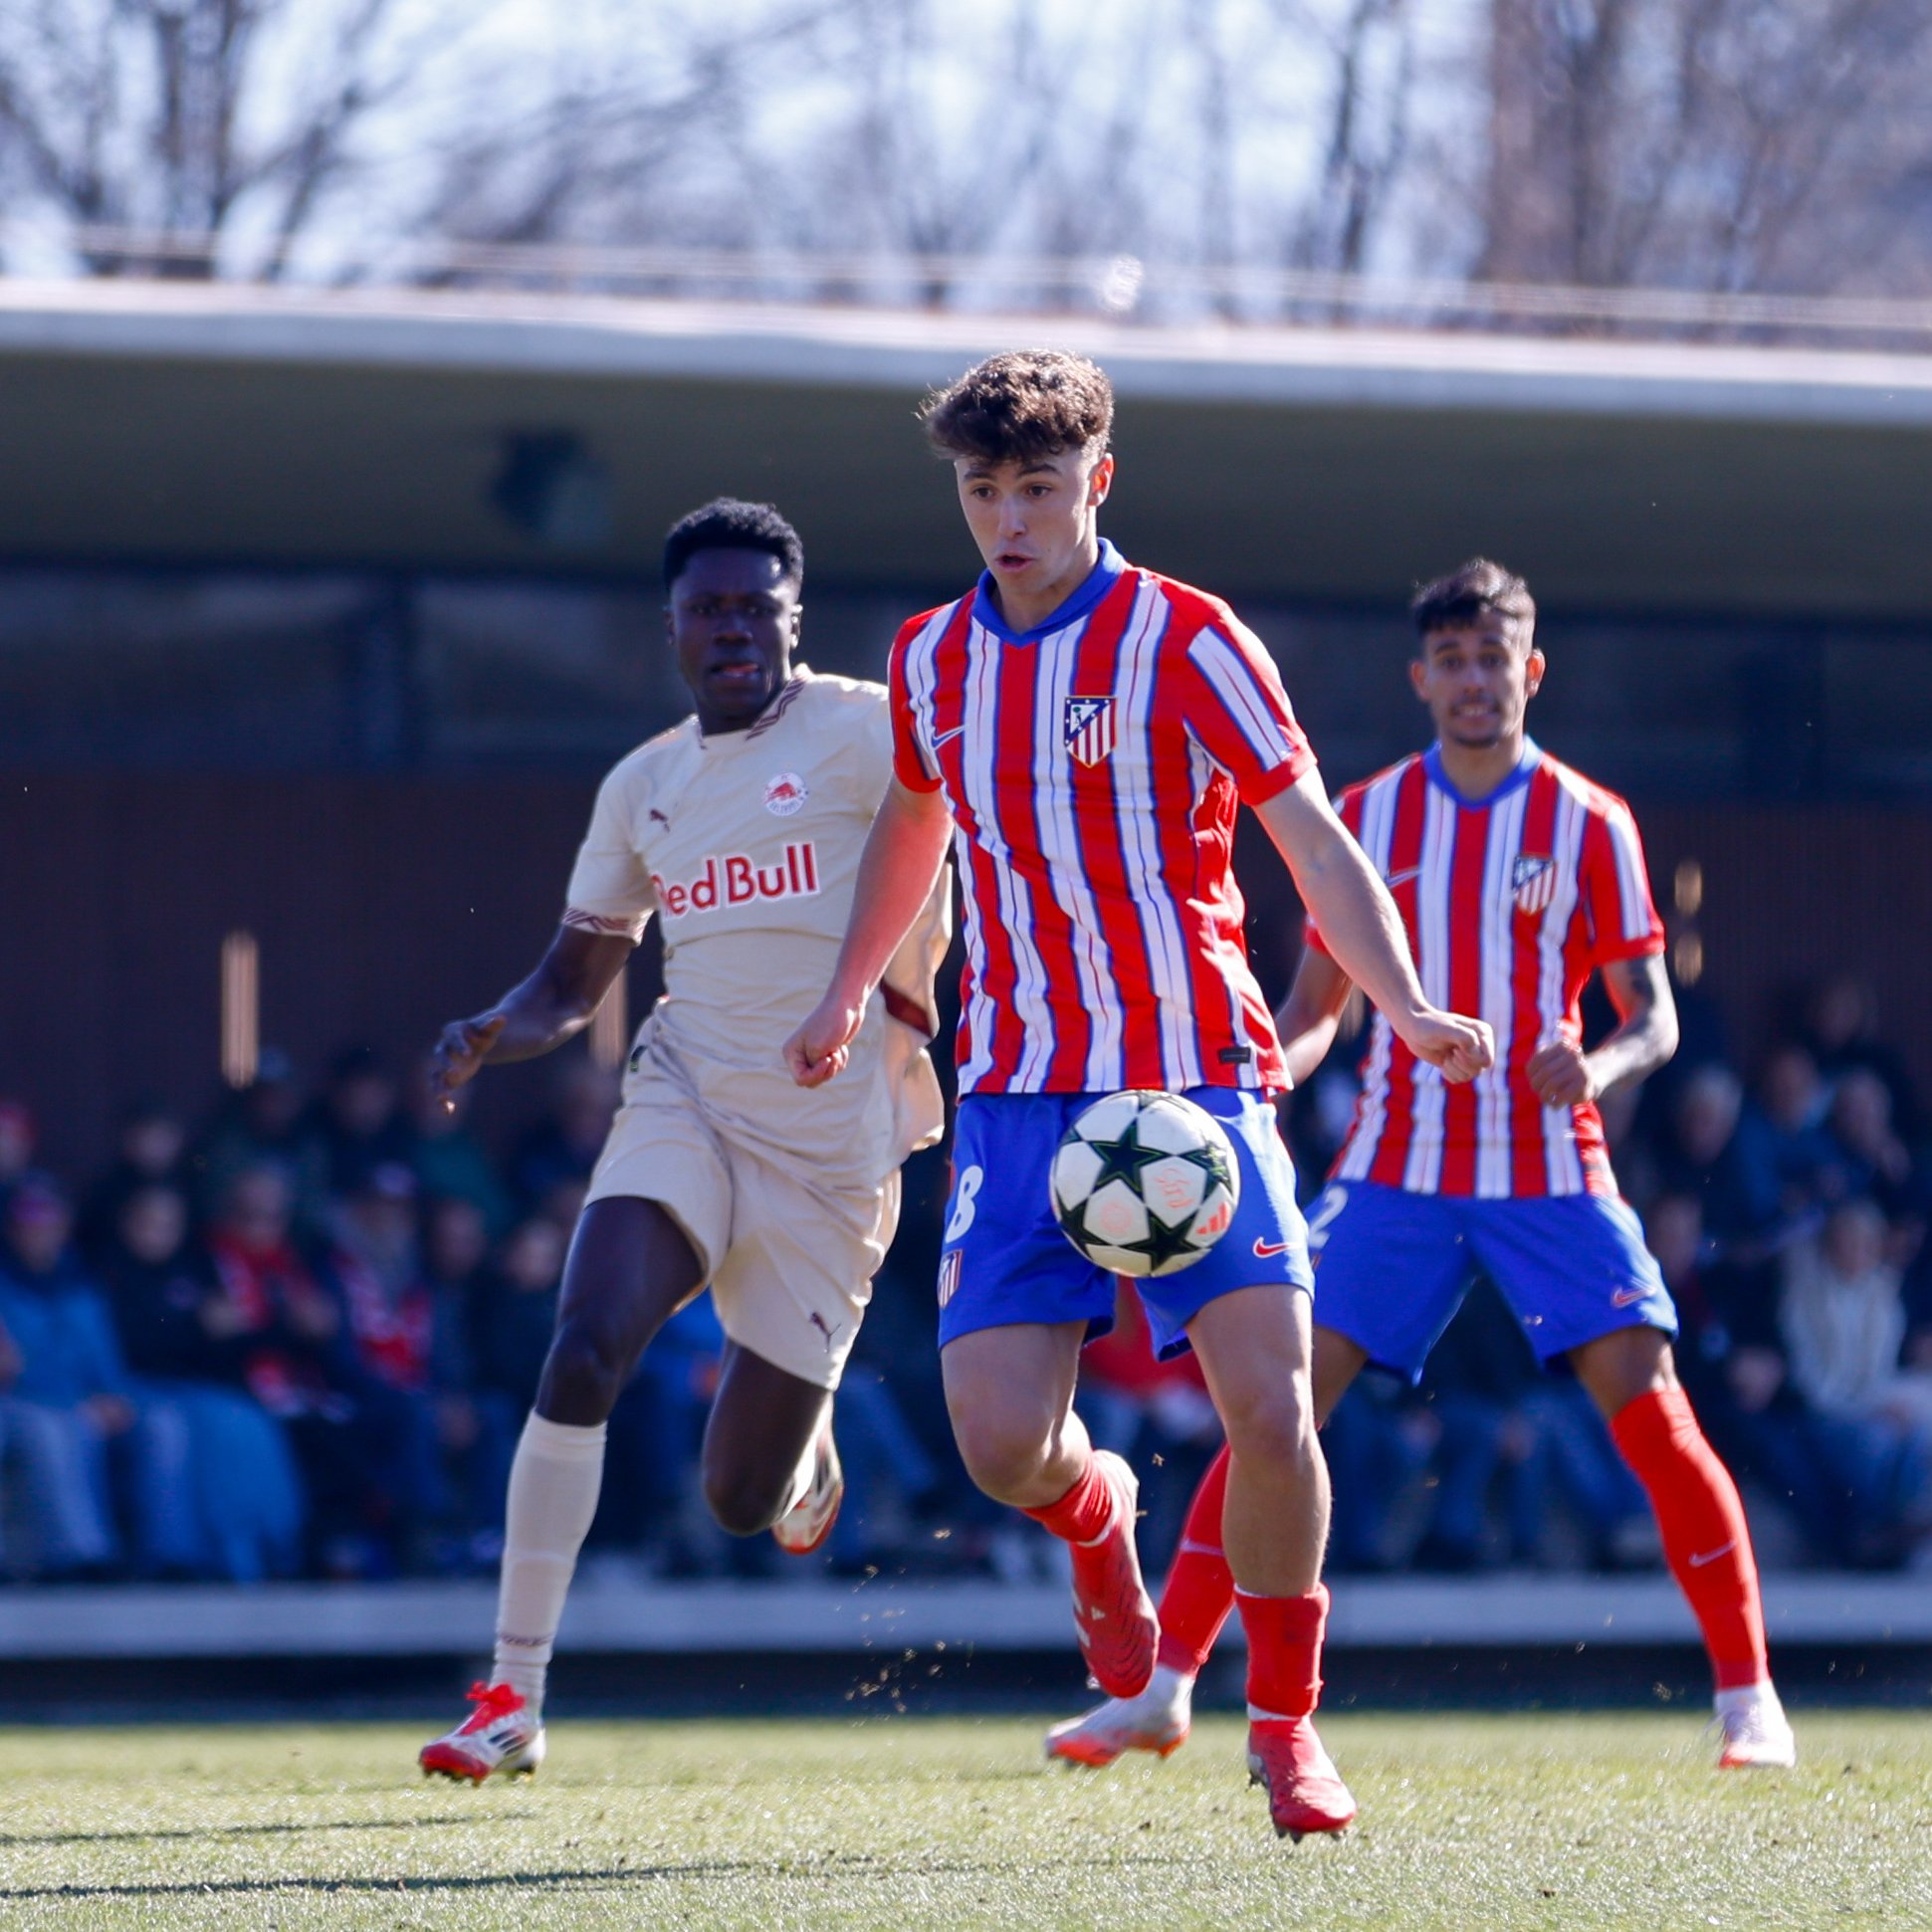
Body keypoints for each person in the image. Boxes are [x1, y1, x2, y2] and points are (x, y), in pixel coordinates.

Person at [785, 351, 1490, 1840]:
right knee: (996, 1443)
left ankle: (1287, 1730)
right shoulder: (930, 657)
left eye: (1036, 487)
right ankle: (1098, 1517)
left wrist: (1409, 1004)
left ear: (1094, 481)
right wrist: (853, 983)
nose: (1007, 518)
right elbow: (914, 822)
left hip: (1195, 1083)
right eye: (982, 491)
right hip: (1021, 1097)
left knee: (1271, 1401)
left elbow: (1307, 835)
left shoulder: (1186, 636)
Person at [1046, 557, 1798, 1775]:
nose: (1472, 680)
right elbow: (1314, 1003)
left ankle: (1747, 1697)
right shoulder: (1368, 814)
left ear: (1530, 669)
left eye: (1492, 657)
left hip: (1551, 1170)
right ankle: (1167, 1686)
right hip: (1392, 1174)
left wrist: (1599, 1068)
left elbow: (1652, 1014)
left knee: (1654, 1417)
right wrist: (1263, 1081)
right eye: (1449, 660)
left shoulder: (1591, 821)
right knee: (1270, 1417)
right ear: (1419, 679)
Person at [418, 498, 949, 1783]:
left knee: (737, 1500)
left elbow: (978, 841)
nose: (731, 630)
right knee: (589, 1342)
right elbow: (573, 977)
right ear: (670, 628)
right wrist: (498, 1022)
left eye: (753, 608)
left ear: (790, 620)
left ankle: (800, 1452)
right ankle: (512, 1692)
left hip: (834, 1152)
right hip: (688, 1101)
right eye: (707, 610)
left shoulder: (876, 729)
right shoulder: (642, 785)